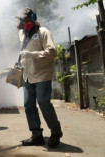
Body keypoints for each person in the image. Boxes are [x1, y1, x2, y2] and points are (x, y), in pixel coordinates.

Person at [16, 8, 63, 148]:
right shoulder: (21, 34)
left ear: (32, 18)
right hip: (28, 75)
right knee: (29, 105)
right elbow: (23, 52)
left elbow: (53, 52)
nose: (22, 23)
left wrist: (32, 54)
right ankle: (36, 135)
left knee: (43, 102)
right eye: (20, 20)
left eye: (24, 20)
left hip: (42, 74)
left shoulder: (43, 32)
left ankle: (56, 133)